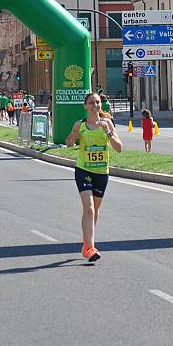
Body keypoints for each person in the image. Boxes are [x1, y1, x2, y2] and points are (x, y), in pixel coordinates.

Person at [65, 93, 123, 262]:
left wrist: (108, 133)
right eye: (91, 102)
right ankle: (90, 247)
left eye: (97, 102)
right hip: (83, 170)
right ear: (85, 106)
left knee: (95, 210)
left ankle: (86, 243)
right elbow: (68, 143)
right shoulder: (79, 124)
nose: (95, 105)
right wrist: (73, 137)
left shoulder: (107, 124)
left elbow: (119, 148)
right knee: (89, 208)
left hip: (101, 172)